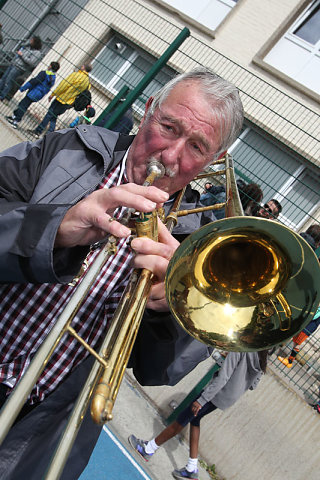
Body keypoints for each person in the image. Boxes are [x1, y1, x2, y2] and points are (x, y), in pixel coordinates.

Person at [0, 67, 244, 479]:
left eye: (197, 146)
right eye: (168, 127)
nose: (170, 156)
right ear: (148, 110)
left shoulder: (197, 247)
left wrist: (170, 310)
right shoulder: (69, 151)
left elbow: (159, 371)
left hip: (39, 431)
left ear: (214, 160)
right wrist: (56, 228)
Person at [128, 350, 268, 480]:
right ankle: (191, 468)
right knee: (195, 420)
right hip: (226, 398)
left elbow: (224, 377)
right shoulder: (263, 356)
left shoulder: (241, 349)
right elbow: (253, 385)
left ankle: (148, 449)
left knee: (182, 419)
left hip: (215, 393)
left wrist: (202, 400)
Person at [31, 62, 92, 137]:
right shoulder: (87, 82)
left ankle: (38, 131)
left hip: (62, 98)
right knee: (54, 116)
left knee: (49, 114)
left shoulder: (76, 75)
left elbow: (64, 85)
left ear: (83, 67)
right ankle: (49, 135)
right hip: (70, 102)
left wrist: (53, 94)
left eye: (82, 65)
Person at [5, 61, 60, 129]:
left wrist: (24, 87)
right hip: (39, 95)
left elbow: (34, 81)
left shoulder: (44, 73)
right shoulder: (53, 78)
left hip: (33, 92)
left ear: (50, 66)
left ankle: (16, 121)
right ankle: (14, 116)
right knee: (23, 104)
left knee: (23, 106)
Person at [0, 35, 42, 101]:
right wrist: (26, 44)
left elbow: (31, 62)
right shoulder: (27, 47)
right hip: (13, 63)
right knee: (3, 78)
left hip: (19, 68)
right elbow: (21, 46)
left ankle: (2, 96)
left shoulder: (37, 53)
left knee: (8, 81)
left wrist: (22, 55)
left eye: (32, 40)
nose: (30, 41)